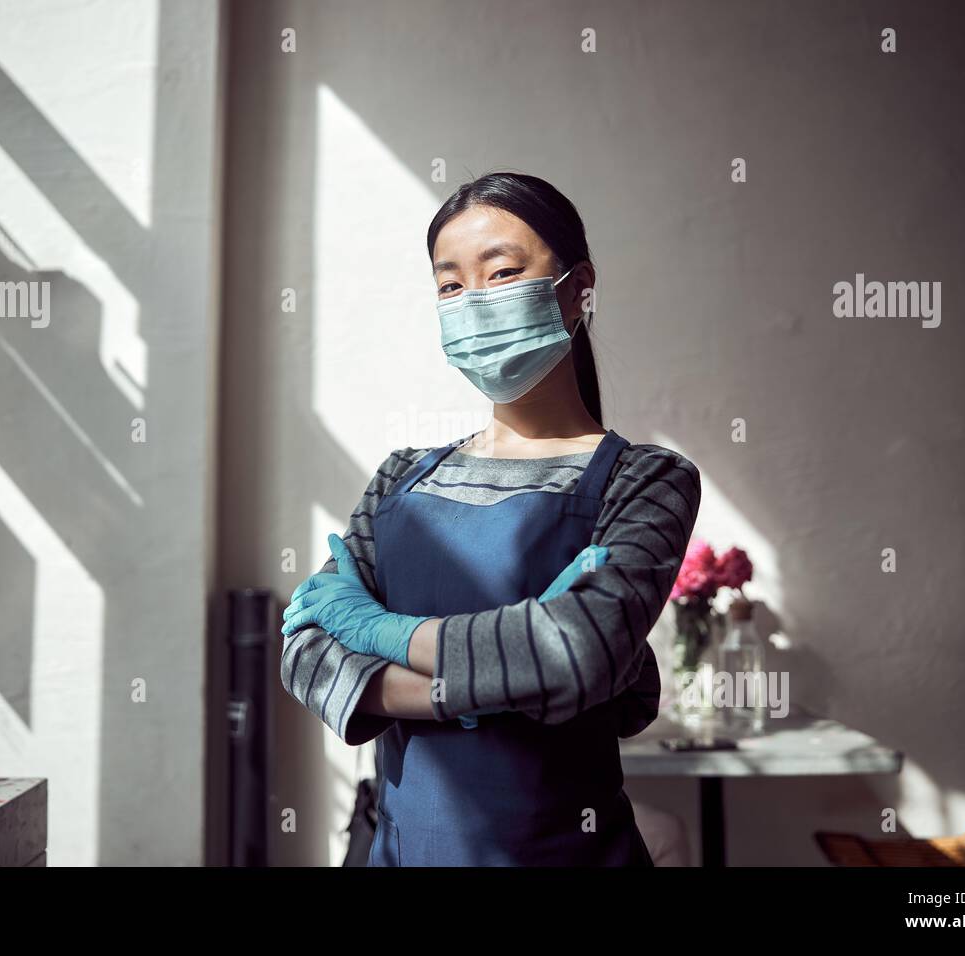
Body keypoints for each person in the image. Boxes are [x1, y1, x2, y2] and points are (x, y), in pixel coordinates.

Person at [280, 171, 701, 866]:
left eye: (502, 272)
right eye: (450, 285)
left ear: (578, 289)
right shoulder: (401, 475)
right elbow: (306, 650)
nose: (473, 302)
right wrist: (509, 674)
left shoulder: (645, 479)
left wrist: (382, 632)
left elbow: (576, 653)